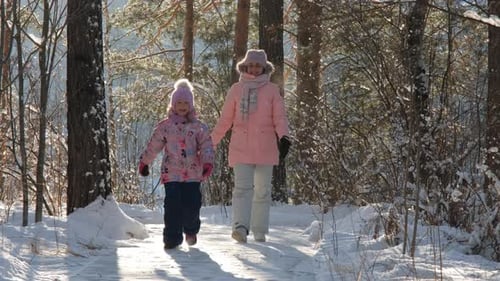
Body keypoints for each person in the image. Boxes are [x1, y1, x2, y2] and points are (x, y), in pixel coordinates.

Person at [211, 49, 291, 243]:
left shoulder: (272, 90)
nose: (255, 68)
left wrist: (284, 137)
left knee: (263, 191)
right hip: (241, 146)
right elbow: (225, 120)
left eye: (258, 65)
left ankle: (259, 230)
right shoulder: (236, 90)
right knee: (241, 189)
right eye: (252, 65)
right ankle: (240, 228)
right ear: (245, 66)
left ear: (264, 68)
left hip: (265, 147)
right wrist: (210, 142)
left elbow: (279, 118)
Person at [138, 78, 214, 249]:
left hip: (193, 174)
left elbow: (207, 145)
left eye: (185, 103)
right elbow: (154, 146)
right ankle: (172, 238)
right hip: (171, 173)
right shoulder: (165, 127)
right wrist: (145, 162)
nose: (182, 106)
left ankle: (191, 229)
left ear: (191, 105)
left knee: (192, 205)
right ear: (173, 104)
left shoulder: (198, 127)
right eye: (178, 102)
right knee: (172, 206)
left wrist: (207, 163)